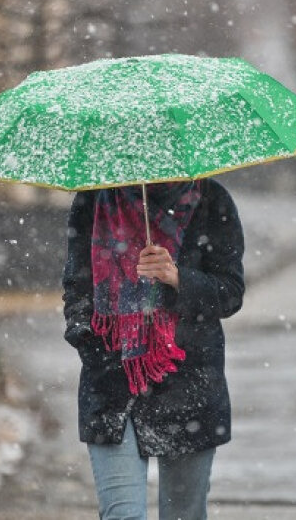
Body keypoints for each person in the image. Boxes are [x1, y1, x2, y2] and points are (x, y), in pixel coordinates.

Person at [62, 179, 245, 520]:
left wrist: (177, 278)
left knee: (183, 515)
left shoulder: (211, 199)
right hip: (113, 385)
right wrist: (92, 342)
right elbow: (77, 289)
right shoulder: (95, 200)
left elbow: (230, 292)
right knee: (122, 515)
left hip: (188, 383)